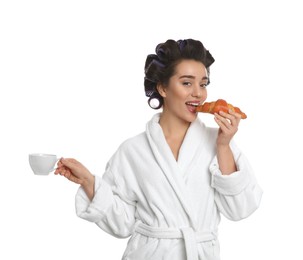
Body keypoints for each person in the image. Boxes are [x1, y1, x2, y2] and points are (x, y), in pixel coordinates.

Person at [55, 39, 263, 260]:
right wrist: (89, 181)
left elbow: (240, 209)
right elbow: (121, 224)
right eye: (186, 83)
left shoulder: (219, 142)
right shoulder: (133, 150)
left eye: (203, 84)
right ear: (162, 88)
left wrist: (223, 146)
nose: (198, 94)